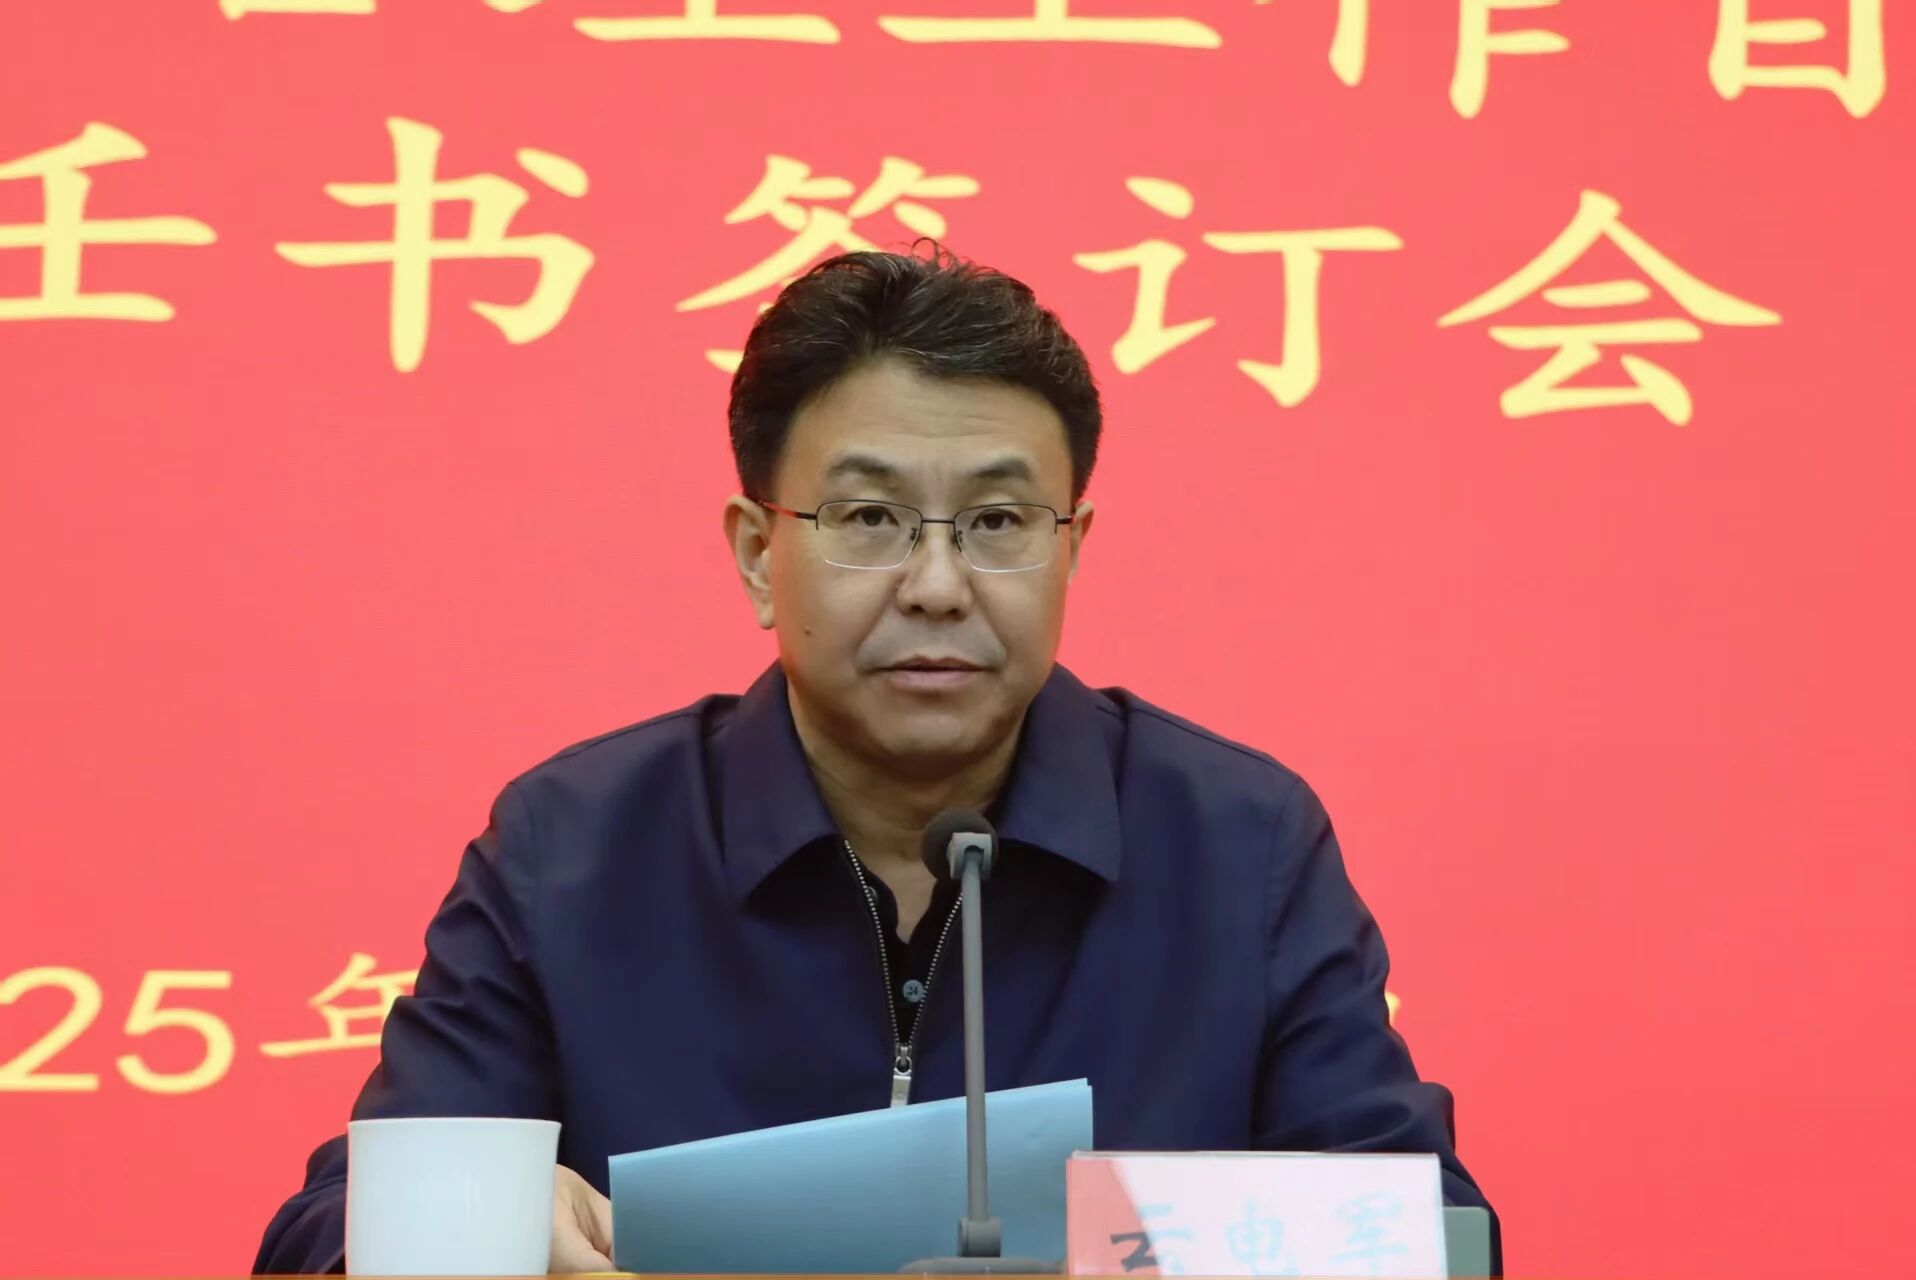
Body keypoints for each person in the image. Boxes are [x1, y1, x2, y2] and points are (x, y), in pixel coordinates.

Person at [254, 244, 1496, 1274]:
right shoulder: (573, 845)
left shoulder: (1236, 840)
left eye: (997, 521)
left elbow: (1427, 1236)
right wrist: (471, 1226)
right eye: (868, 518)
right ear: (757, 551)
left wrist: (1132, 1263)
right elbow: (324, 1233)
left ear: (1072, 546)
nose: (938, 584)